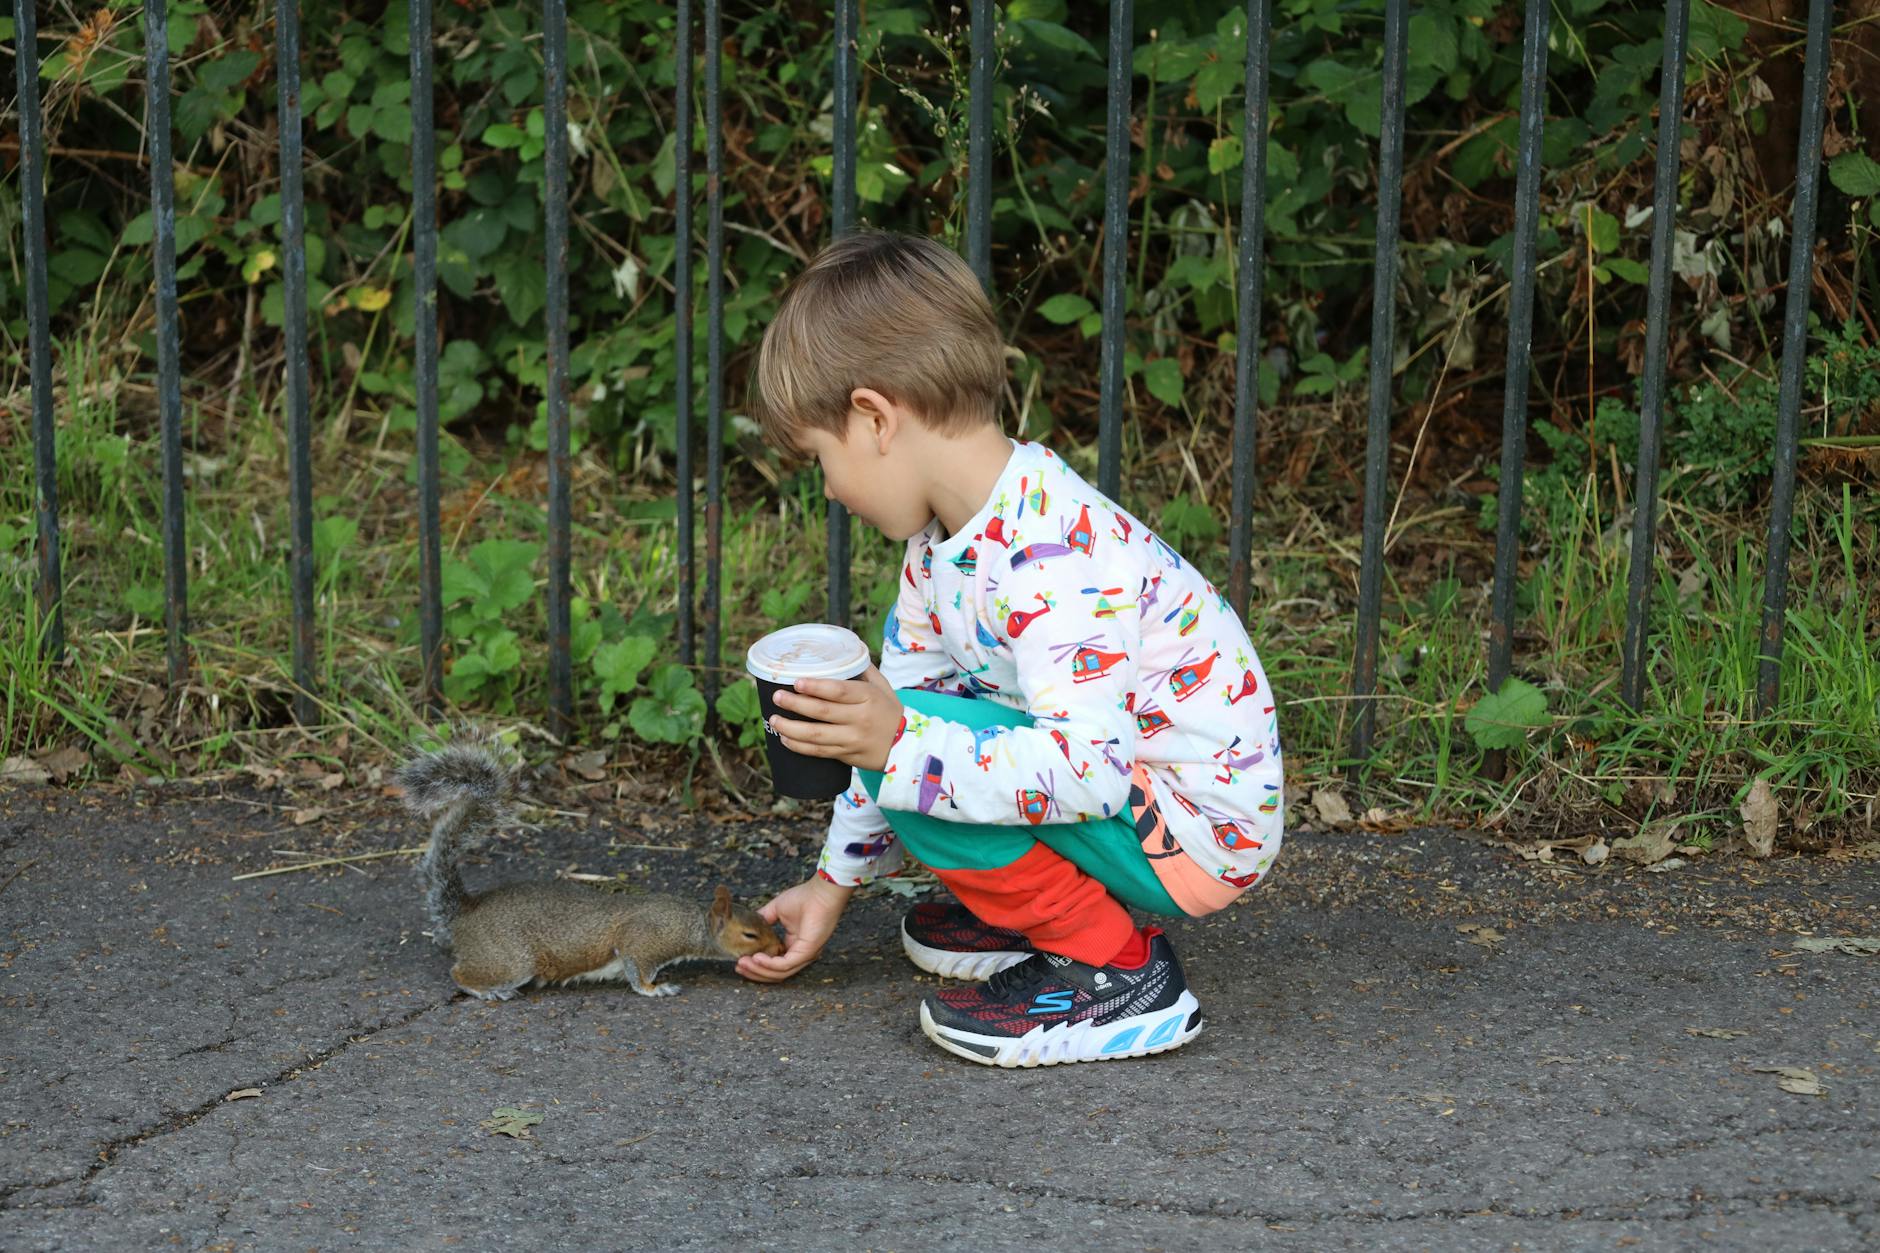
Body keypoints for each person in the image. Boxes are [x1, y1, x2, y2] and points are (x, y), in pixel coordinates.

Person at [736, 229, 1284, 1068]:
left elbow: (1081, 768)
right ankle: (1037, 902)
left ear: (875, 418)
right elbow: (911, 720)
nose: (831, 491)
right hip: (1138, 795)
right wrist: (831, 883)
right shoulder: (946, 544)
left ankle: (1116, 966)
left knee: (912, 737)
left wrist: (899, 740)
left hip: (1192, 833)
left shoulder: (1051, 560)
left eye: (820, 459)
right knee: (912, 730)